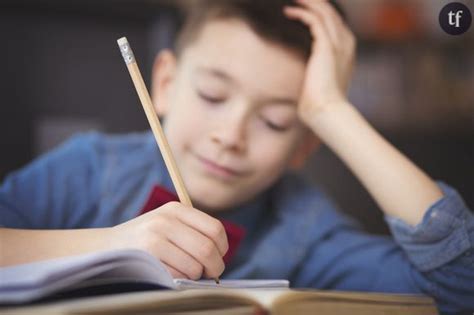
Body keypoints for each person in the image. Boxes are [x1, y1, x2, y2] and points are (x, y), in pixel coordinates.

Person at [0, 0, 472, 313]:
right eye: (211, 95)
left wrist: (332, 111)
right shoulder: (88, 169)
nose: (230, 136)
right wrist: (108, 246)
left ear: (305, 145)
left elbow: (461, 285)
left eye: (276, 123)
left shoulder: (305, 229)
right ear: (164, 84)